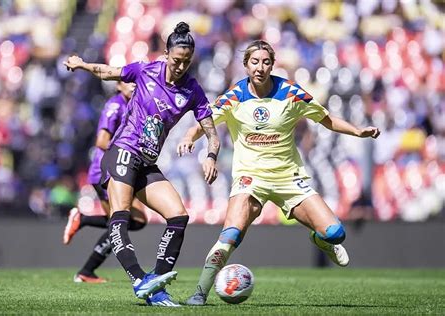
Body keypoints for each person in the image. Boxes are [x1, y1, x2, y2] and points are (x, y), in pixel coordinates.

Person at [177, 40, 381, 305]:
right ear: (246, 65)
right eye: (254, 62)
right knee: (230, 236)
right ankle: (200, 293)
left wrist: (357, 130)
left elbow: (326, 119)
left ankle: (321, 240)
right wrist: (190, 136)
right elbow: (205, 121)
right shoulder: (234, 97)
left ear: (272, 65)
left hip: (289, 178)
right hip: (249, 178)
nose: (260, 67)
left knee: (335, 234)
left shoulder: (291, 93)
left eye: (265, 62)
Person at [64, 22, 220, 306]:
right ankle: (138, 279)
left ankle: (156, 286)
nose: (181, 66)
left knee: (178, 216)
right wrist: (82, 64)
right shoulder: (145, 70)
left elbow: (211, 132)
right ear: (166, 53)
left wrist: (211, 155)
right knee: (121, 214)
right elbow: (108, 72)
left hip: (147, 163)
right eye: (176, 60)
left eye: (187, 61)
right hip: (123, 151)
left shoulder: (193, 90)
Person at [63, 81, 148, 284]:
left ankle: (83, 223)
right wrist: (126, 149)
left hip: (118, 169)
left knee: (132, 221)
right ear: (118, 85)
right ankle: (86, 271)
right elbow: (101, 141)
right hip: (105, 171)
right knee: (124, 222)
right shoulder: (115, 105)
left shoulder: (132, 104)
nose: (134, 85)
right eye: (129, 82)